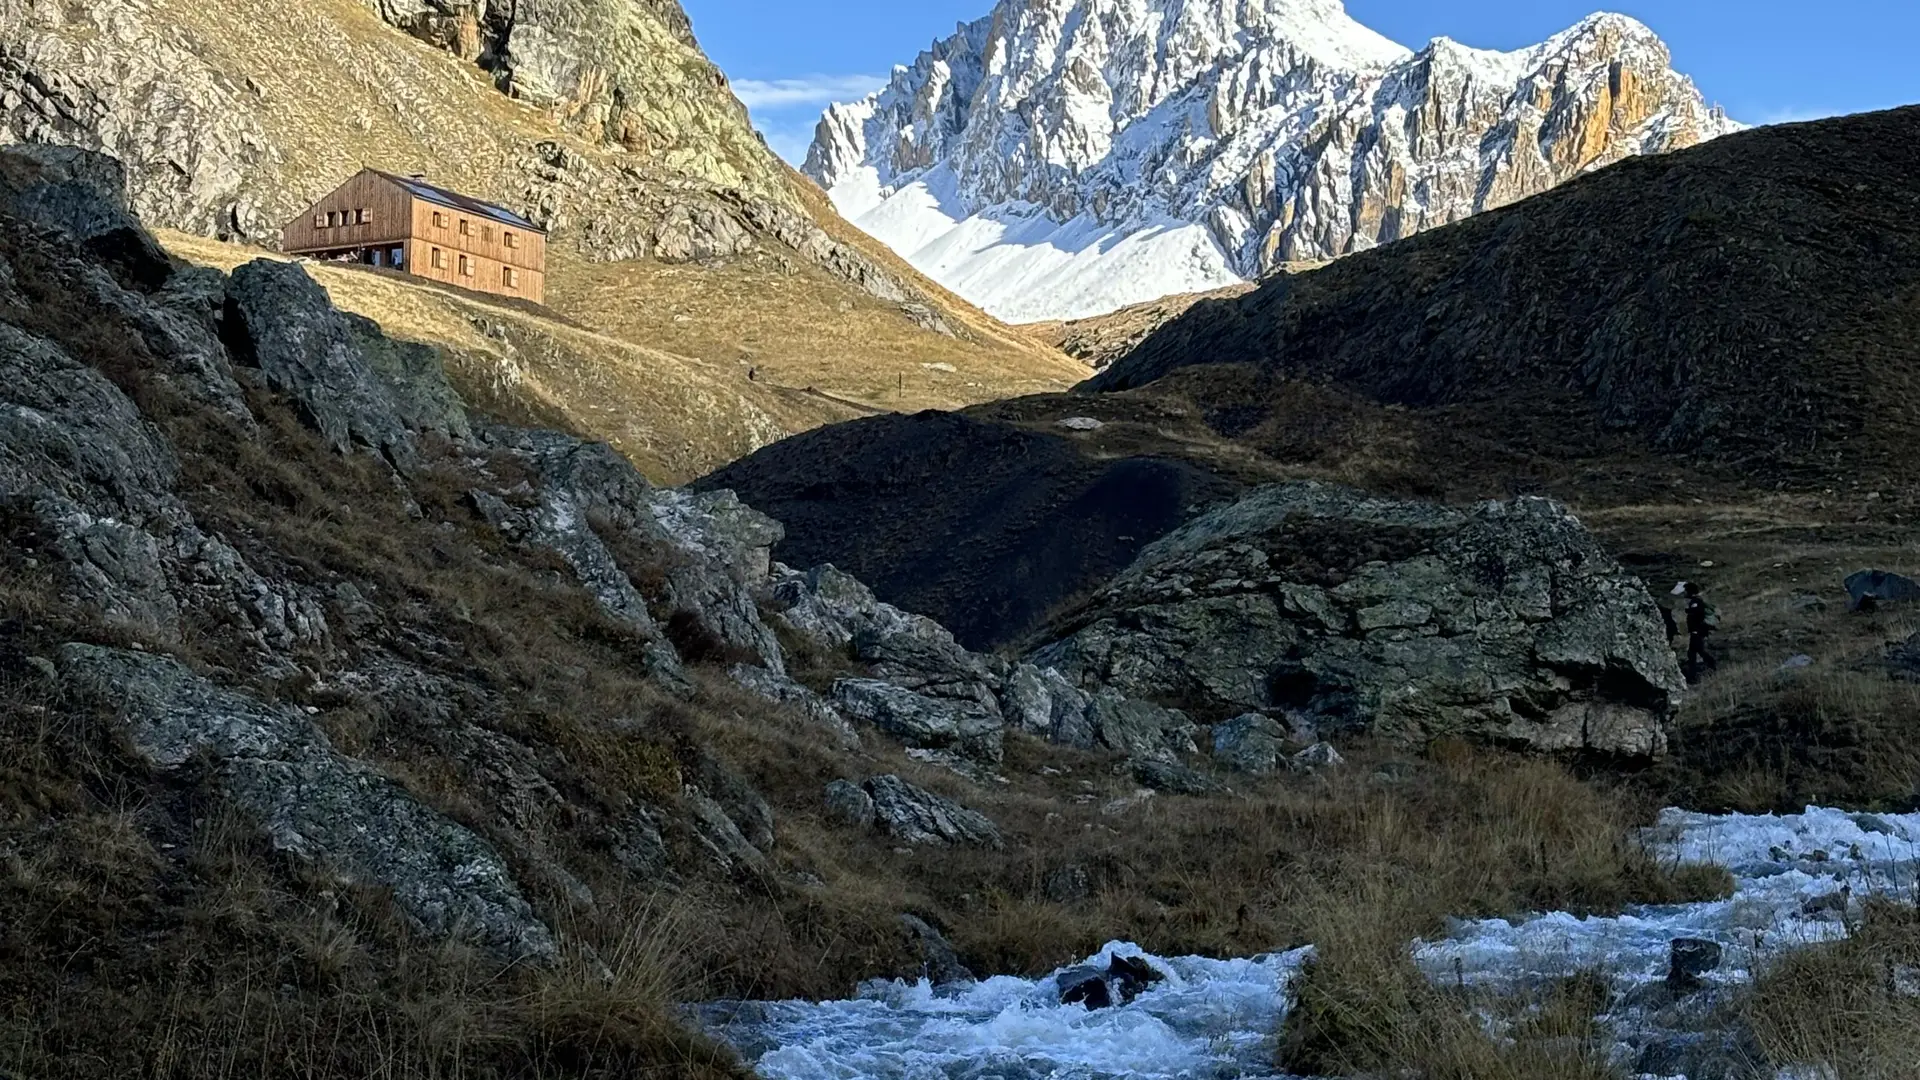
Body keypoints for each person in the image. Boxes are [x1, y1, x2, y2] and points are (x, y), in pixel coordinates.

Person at [1679, 581, 1718, 682]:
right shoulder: (1695, 601)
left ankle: (1694, 676)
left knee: (1694, 652)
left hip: (1697, 631)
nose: (1684, 593)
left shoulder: (1696, 602)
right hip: (1697, 631)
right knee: (1696, 651)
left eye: (1686, 591)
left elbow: (1697, 616)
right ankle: (1709, 665)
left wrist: (1695, 629)